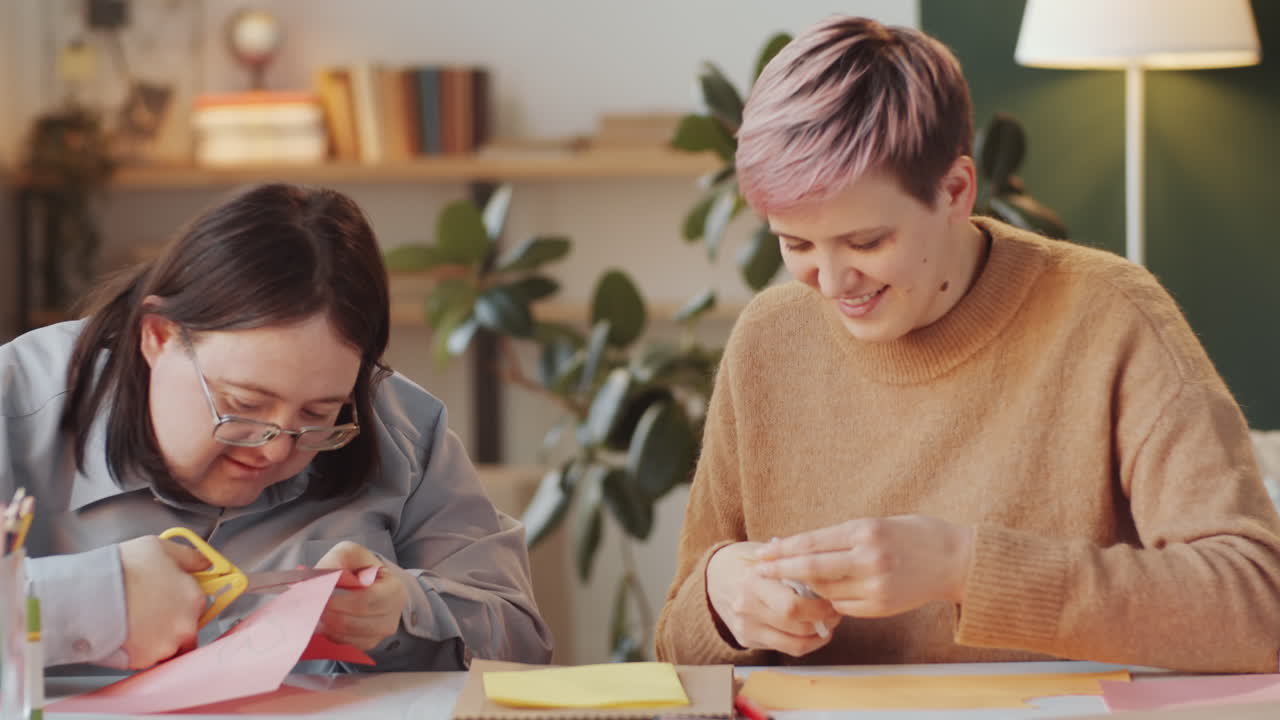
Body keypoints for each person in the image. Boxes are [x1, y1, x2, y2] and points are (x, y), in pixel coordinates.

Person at [655, 15, 1280, 673]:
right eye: (797, 244)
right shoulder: (766, 341)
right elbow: (675, 641)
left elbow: (1259, 607)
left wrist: (963, 567)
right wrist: (720, 594)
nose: (833, 283)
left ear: (955, 190)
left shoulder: (1110, 316)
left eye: (867, 242)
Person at [0, 183, 553, 671]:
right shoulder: (14, 404)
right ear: (158, 337)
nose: (276, 448)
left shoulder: (399, 425)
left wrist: (402, 613)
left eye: (318, 415)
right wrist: (92, 601)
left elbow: (523, 640)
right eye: (243, 404)